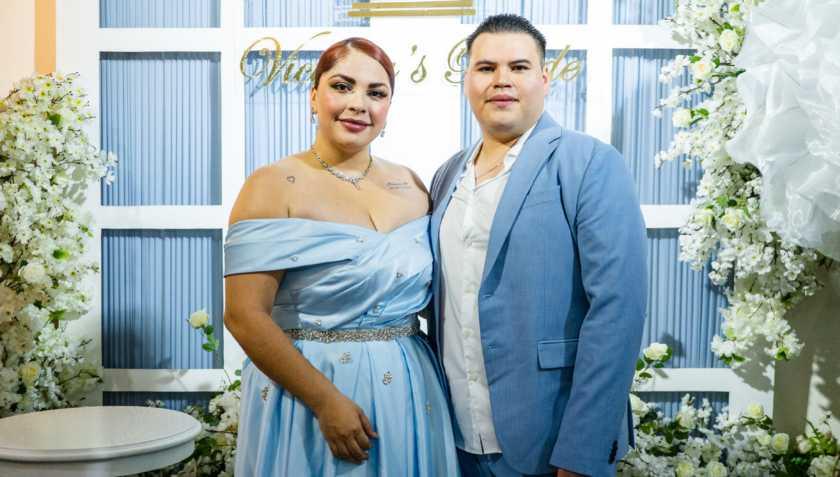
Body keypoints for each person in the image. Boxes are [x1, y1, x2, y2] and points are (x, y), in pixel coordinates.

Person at [223, 37, 460, 476]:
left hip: (409, 389)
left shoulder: (412, 185)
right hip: (310, 394)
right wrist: (325, 401)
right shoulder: (273, 184)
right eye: (342, 86)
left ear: (389, 107)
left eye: (376, 93)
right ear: (313, 96)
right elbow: (243, 316)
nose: (358, 104)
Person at [428, 14, 648, 477]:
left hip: (549, 437)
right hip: (454, 437)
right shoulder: (447, 174)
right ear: (467, 80)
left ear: (544, 79)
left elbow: (617, 310)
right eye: (486, 68)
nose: (501, 80)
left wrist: (582, 452)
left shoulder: (589, 162)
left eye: (519, 67)